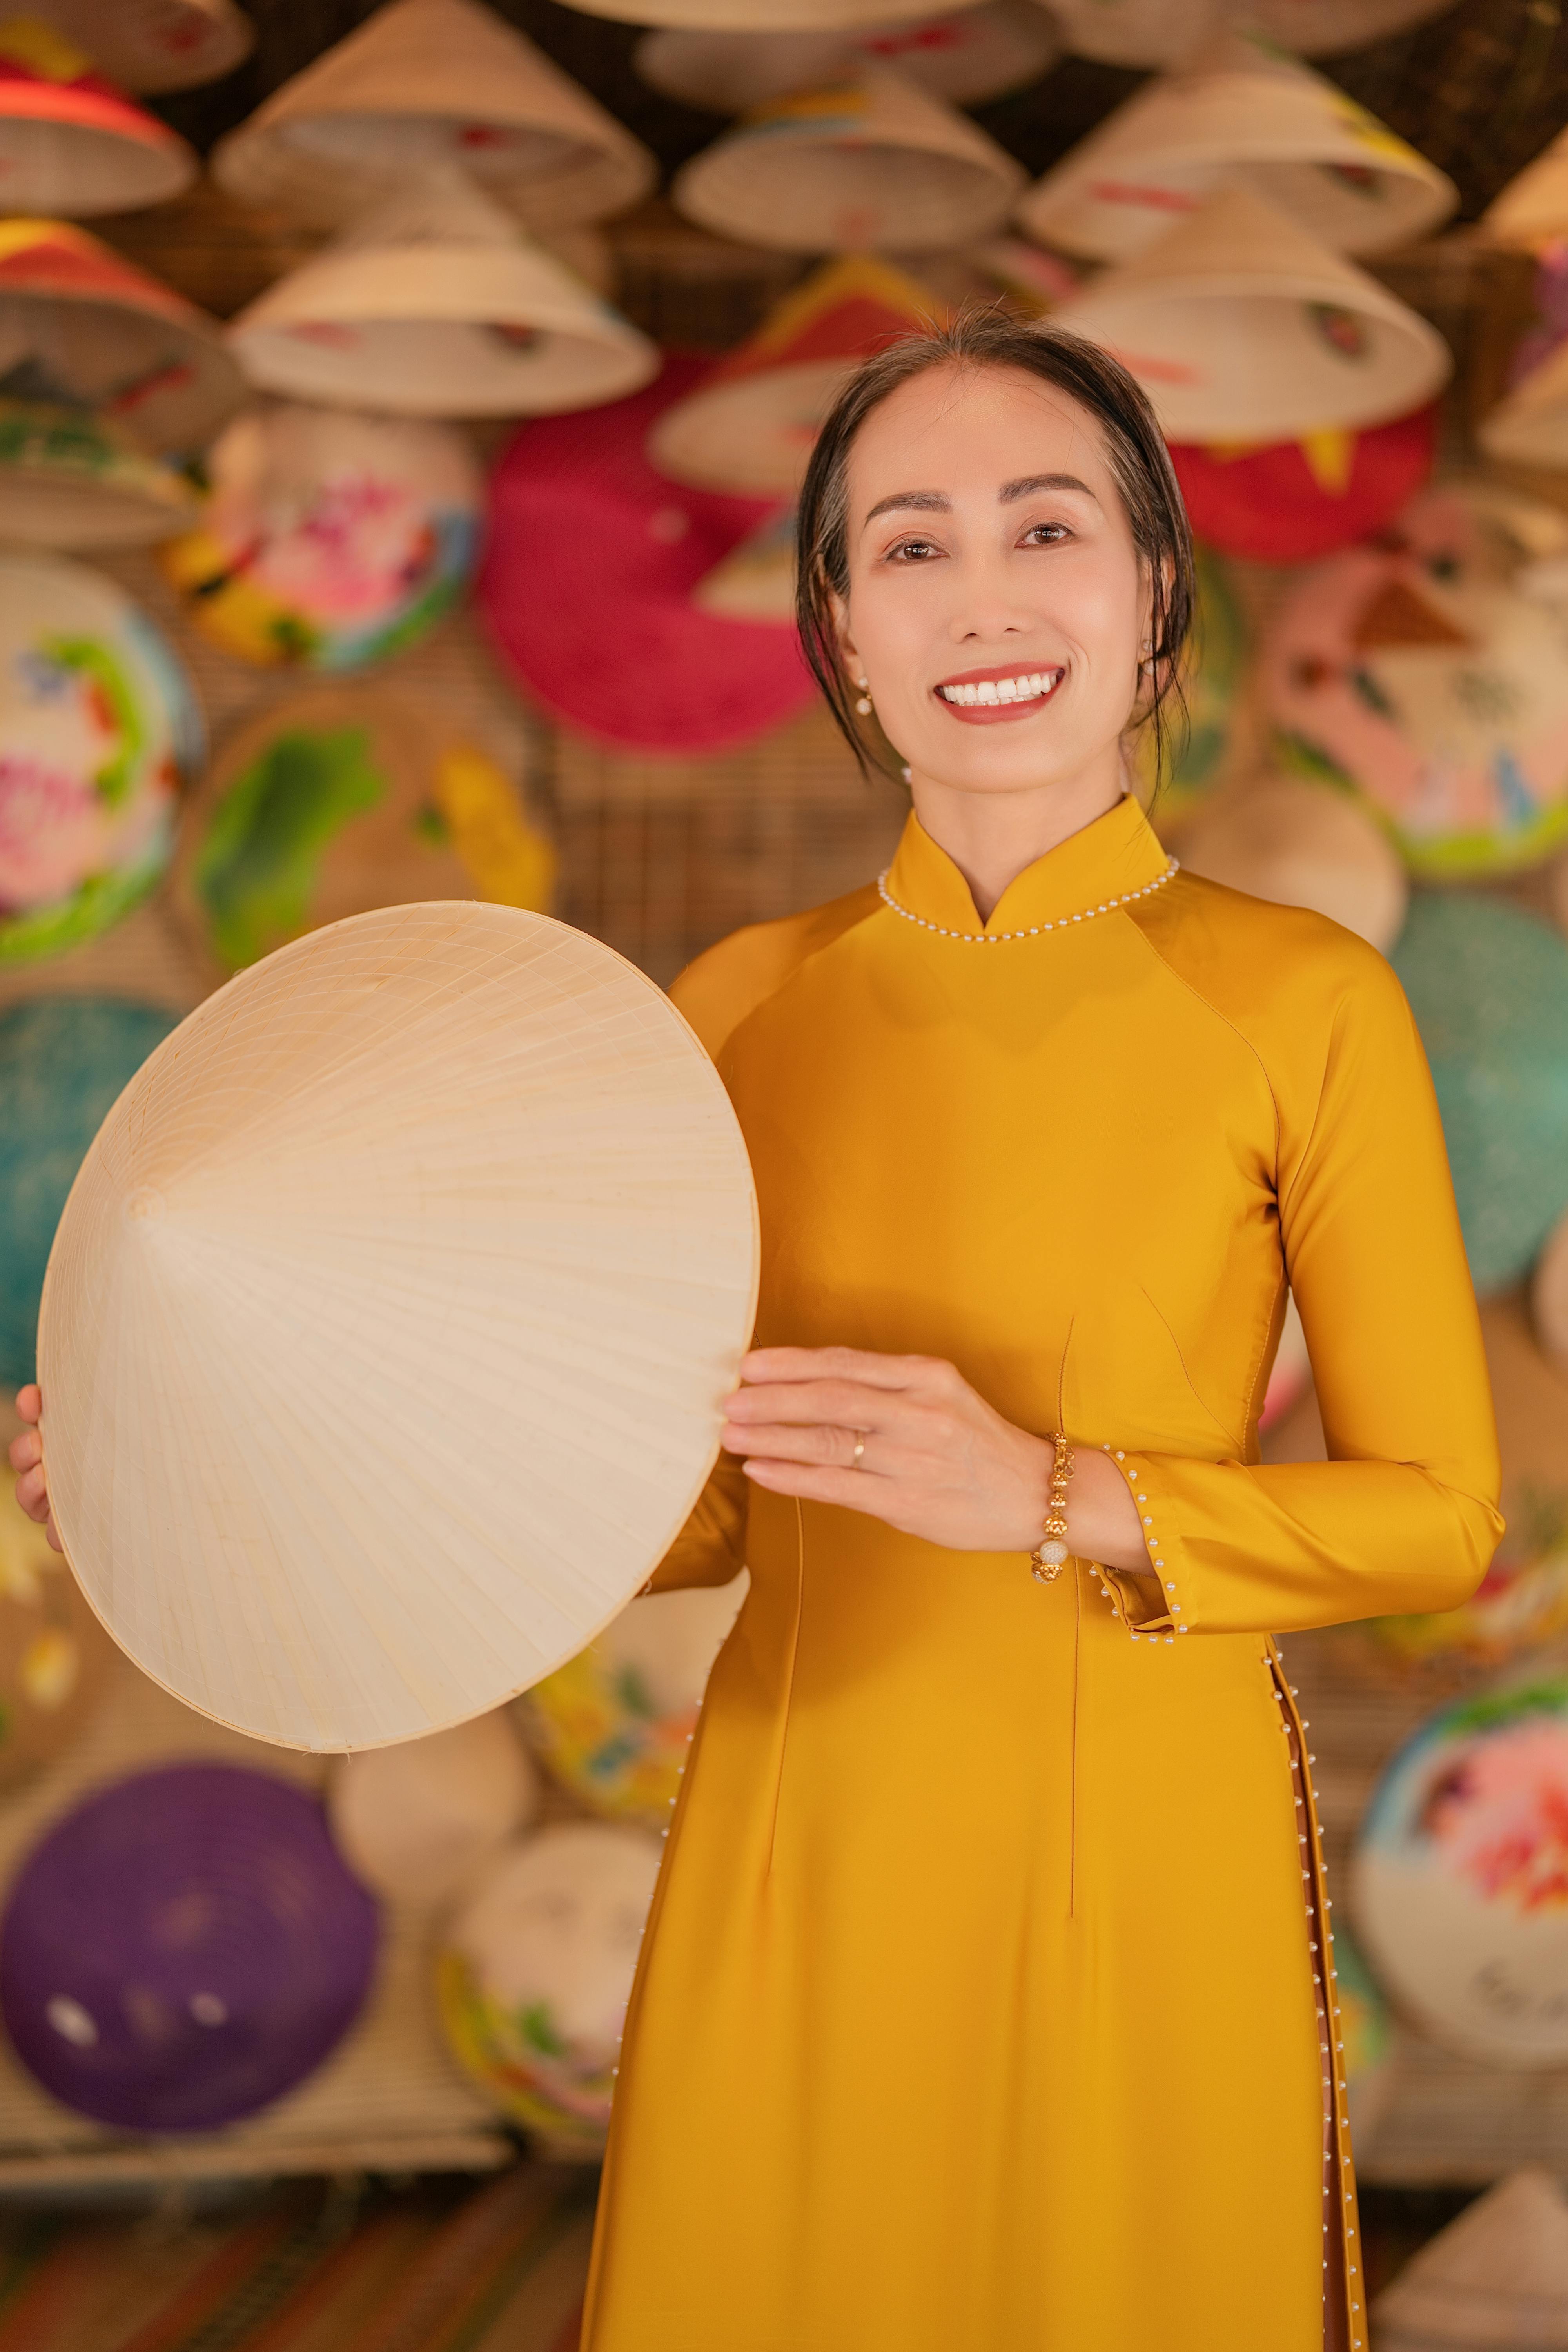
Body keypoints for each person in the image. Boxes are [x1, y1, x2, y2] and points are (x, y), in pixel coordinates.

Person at [12, 314, 1501, 2351]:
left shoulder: (1302, 1002)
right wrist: (251, 1454)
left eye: (1046, 525)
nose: (982, 593)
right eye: (909, 545)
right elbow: (686, 1510)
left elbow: (1437, 1516)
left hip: (1137, 1842)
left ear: (1156, 588)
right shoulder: (733, 1010)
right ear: (845, 631)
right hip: (796, 1827)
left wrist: (1046, 1491)